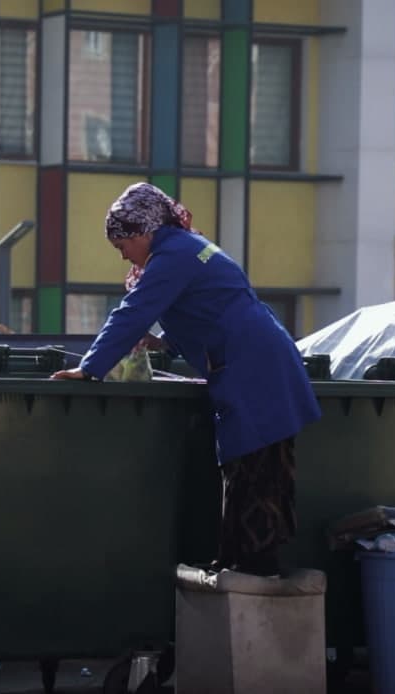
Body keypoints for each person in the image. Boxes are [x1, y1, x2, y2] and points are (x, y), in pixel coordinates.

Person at [51, 182, 322, 576]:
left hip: (252, 367)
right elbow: (210, 305)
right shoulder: (188, 247)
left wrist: (90, 367)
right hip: (259, 359)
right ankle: (242, 562)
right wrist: (165, 343)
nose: (123, 254)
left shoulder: (173, 255)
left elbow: (133, 311)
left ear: (141, 232)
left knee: (254, 467)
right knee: (254, 465)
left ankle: (252, 568)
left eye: (122, 244)